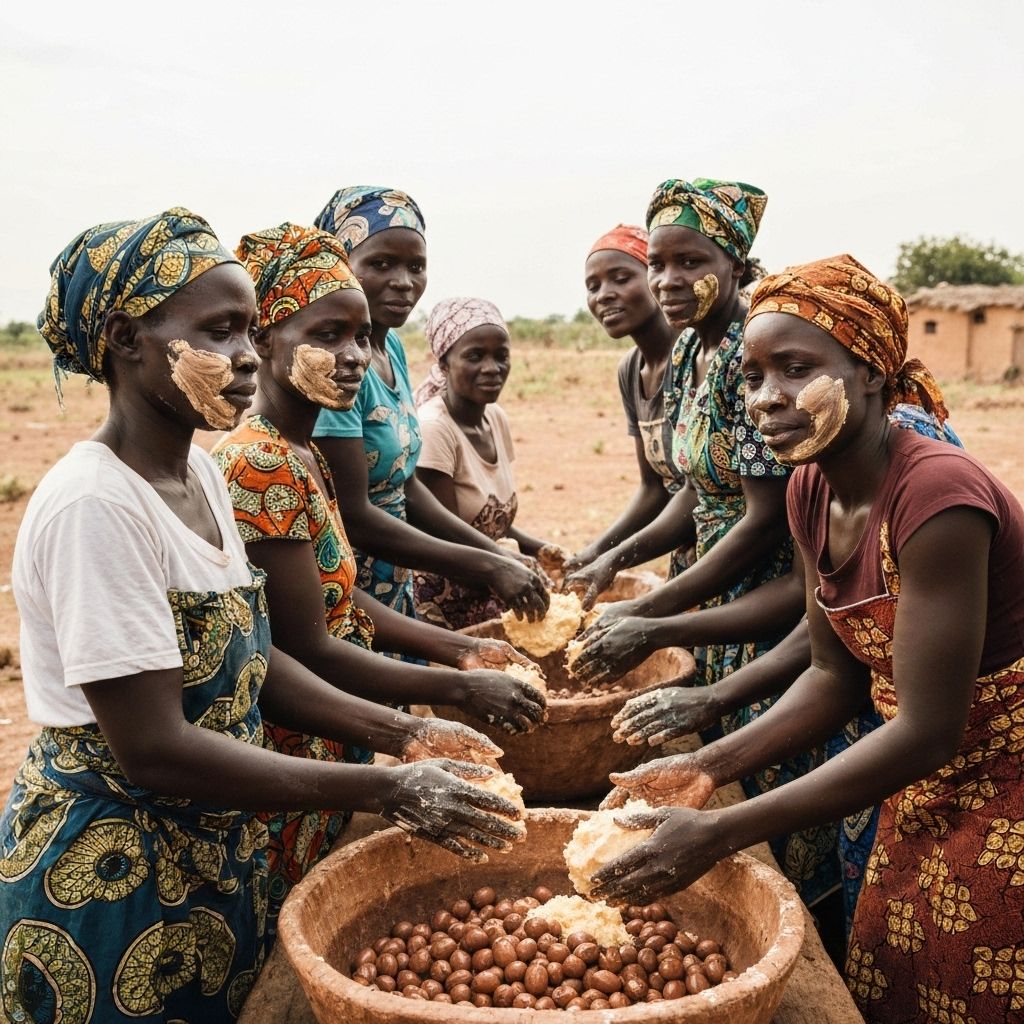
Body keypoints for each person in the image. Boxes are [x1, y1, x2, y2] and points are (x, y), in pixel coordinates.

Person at [0, 211, 526, 1023]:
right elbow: (154, 746)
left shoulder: (200, 477)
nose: (246, 354)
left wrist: (408, 736)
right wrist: (388, 784)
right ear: (126, 339)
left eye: (248, 328)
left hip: (212, 852)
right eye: (219, 331)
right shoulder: (95, 506)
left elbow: (258, 658)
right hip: (115, 875)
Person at [592, 254, 1024, 1024]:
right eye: (753, 376)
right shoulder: (811, 485)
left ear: (870, 371)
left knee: (977, 978)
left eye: (796, 369)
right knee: (891, 966)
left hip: (1001, 777)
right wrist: (703, 766)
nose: (767, 397)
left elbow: (929, 729)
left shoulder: (936, 496)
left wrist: (720, 831)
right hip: (916, 770)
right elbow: (833, 674)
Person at [211, 223, 546, 938]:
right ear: (264, 340)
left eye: (361, 337)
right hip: (300, 741)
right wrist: (453, 691)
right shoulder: (258, 464)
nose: (354, 356)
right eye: (328, 335)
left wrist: (463, 651)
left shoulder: (301, 452)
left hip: (334, 731)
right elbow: (306, 646)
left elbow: (339, 599)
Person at [573, 179, 840, 909]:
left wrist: (654, 611)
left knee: (775, 772)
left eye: (689, 261)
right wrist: (617, 560)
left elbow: (761, 520)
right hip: (716, 584)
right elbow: (694, 490)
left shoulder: (752, 350)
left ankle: (792, 915)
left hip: (769, 589)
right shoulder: (693, 346)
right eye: (658, 263)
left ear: (735, 263)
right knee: (725, 762)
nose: (668, 279)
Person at [310, 187, 548, 651]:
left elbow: (406, 486)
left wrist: (496, 554)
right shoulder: (338, 367)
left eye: (415, 266)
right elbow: (355, 516)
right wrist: (488, 565)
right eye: (381, 263)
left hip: (395, 584)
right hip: (351, 595)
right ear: (340, 264)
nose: (404, 282)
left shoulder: (390, 349)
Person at [412, 296, 566, 629]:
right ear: (443, 364)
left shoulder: (495, 418)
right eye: (475, 356)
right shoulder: (435, 429)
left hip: (494, 578)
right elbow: (447, 535)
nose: (492, 368)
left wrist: (541, 550)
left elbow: (493, 524)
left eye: (501, 356)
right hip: (449, 600)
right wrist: (512, 564)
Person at [562, 224, 697, 603]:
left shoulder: (694, 355)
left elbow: (700, 492)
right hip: (687, 554)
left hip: (729, 551)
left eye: (621, 278)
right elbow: (654, 488)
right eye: (592, 286)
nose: (604, 294)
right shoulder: (630, 369)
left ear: (654, 279)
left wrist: (615, 558)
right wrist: (594, 552)